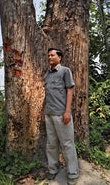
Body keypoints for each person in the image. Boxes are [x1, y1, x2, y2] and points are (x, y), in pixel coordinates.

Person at [43, 47, 79, 184]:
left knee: (67, 144)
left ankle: (73, 173)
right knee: (51, 144)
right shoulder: (47, 74)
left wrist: (67, 112)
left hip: (61, 114)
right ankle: (53, 169)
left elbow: (69, 91)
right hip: (49, 114)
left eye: (52, 55)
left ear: (60, 57)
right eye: (48, 56)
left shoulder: (65, 71)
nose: (49, 58)